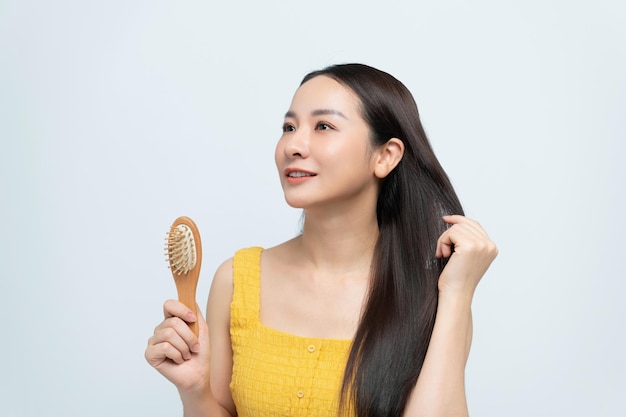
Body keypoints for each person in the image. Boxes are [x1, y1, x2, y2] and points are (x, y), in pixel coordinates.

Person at [145, 63, 498, 417]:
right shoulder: (237, 280)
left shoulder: (432, 296)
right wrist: (194, 390)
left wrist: (457, 293)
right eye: (289, 127)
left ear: (385, 156)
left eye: (324, 126)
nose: (293, 145)